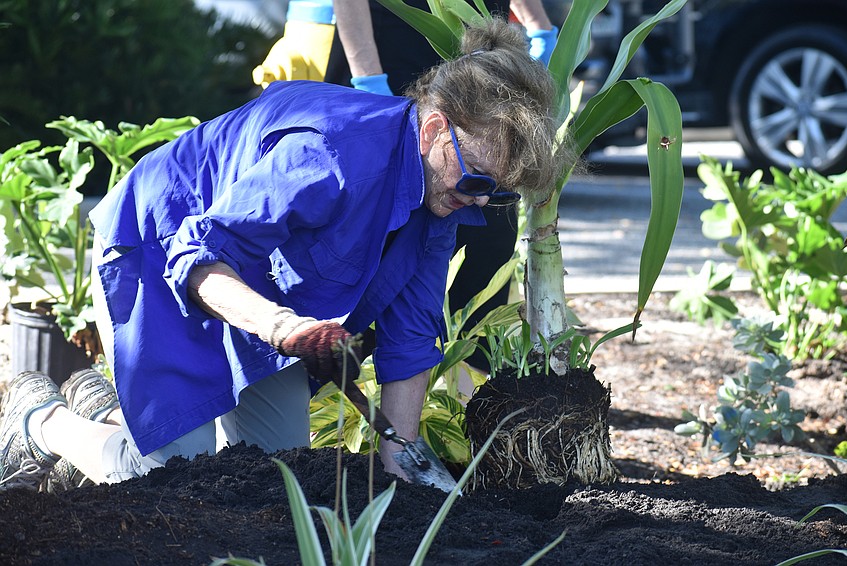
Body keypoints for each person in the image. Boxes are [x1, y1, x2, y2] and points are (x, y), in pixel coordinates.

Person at [0, 17, 569, 492]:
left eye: (494, 191)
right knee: (167, 479)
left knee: (272, 480)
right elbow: (196, 257)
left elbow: (412, 336)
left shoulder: (440, 196)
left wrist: (404, 462)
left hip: (260, 287)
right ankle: (40, 420)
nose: (476, 199)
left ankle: (111, 410)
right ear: (435, 129)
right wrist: (284, 329)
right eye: (474, 178)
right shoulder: (330, 156)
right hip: (164, 248)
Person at [326, 0, 557, 370]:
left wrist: (539, 26)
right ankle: (349, 378)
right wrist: (368, 78)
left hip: (482, 63)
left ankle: (464, 394)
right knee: (382, 236)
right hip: (391, 56)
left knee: (489, 233)